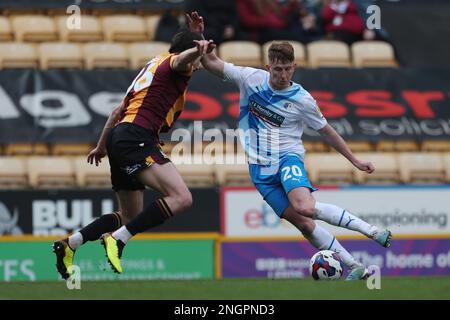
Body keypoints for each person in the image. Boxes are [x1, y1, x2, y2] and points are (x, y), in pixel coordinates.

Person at [200, 41, 391, 280]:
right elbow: (212, 63)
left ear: (295, 67)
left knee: (305, 207)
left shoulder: (302, 99)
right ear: (268, 67)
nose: (282, 75)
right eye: (277, 69)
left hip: (287, 158)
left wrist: (354, 160)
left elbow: (326, 130)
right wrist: (202, 42)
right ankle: (353, 265)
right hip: (260, 171)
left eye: (288, 69)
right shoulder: (250, 79)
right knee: (304, 224)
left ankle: (372, 231)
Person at [52, 13, 215, 278]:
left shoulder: (152, 67)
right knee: (182, 198)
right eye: (198, 60)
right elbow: (182, 60)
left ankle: (70, 244)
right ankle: (118, 240)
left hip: (120, 136)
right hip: (137, 137)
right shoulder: (175, 65)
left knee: (130, 213)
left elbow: (117, 111)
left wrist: (102, 145)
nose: (198, 65)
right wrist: (194, 50)